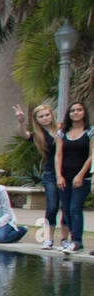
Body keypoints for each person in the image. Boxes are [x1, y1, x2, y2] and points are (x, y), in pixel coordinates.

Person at [15, 101, 61, 249]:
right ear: (37, 120)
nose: (45, 118)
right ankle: (49, 238)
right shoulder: (38, 135)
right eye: (41, 116)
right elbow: (24, 135)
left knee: (67, 207)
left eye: (47, 114)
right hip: (49, 173)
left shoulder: (61, 129)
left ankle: (67, 239)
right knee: (52, 206)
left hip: (67, 172)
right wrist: (21, 122)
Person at [55, 100, 92, 253]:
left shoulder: (90, 131)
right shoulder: (62, 133)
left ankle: (77, 240)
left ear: (84, 113)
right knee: (66, 209)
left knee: (75, 208)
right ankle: (70, 239)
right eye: (72, 110)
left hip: (82, 178)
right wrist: (59, 176)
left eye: (79, 110)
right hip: (65, 176)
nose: (75, 113)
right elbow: (58, 155)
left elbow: (92, 155)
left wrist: (80, 175)